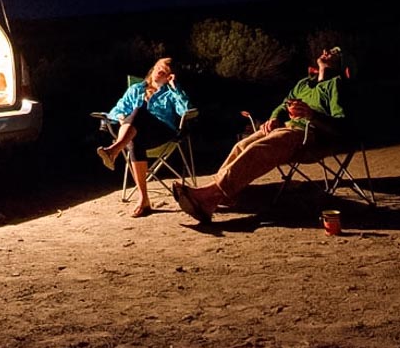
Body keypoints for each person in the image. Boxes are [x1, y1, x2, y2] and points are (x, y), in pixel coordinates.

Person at [171, 46, 348, 223]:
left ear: (341, 63)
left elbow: (341, 125)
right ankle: (217, 198)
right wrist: (274, 118)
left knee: (261, 148)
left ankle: (208, 194)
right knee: (241, 145)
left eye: (334, 52)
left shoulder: (336, 85)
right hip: (287, 128)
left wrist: (311, 115)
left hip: (311, 135)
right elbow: (282, 106)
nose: (326, 51)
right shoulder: (304, 84)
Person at [97, 56, 191, 217]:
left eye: (166, 71)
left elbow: (185, 111)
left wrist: (175, 88)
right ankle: (144, 199)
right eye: (158, 67)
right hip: (135, 135)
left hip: (162, 133)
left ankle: (114, 150)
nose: (160, 71)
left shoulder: (171, 92)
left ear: (170, 76)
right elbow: (116, 110)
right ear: (153, 69)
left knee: (139, 111)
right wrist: (120, 117)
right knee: (133, 136)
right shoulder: (135, 89)